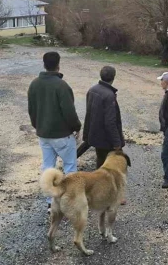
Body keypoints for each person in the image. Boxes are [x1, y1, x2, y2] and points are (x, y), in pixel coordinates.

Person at [28, 51, 82, 212]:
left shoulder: (34, 84)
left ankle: (51, 202)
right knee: (70, 167)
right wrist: (76, 127)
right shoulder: (61, 85)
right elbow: (69, 112)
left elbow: (31, 110)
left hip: (44, 134)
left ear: (44, 64)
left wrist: (38, 126)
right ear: (58, 64)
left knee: (48, 167)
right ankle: (69, 202)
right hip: (62, 135)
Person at [83, 66, 124, 168]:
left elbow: (89, 112)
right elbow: (110, 121)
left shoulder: (92, 90)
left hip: (95, 134)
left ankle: (99, 182)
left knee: (100, 161)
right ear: (113, 77)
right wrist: (117, 142)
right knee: (111, 166)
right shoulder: (109, 95)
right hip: (106, 139)